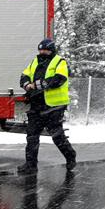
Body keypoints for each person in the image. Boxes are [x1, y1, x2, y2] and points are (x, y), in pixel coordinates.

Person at [18, 38, 76, 174]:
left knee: (57, 136)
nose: (42, 52)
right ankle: (31, 165)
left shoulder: (60, 62)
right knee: (32, 136)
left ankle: (70, 156)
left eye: (45, 49)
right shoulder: (34, 62)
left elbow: (59, 79)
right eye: (41, 49)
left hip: (53, 107)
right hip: (37, 105)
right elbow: (24, 75)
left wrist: (36, 85)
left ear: (52, 50)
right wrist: (27, 84)